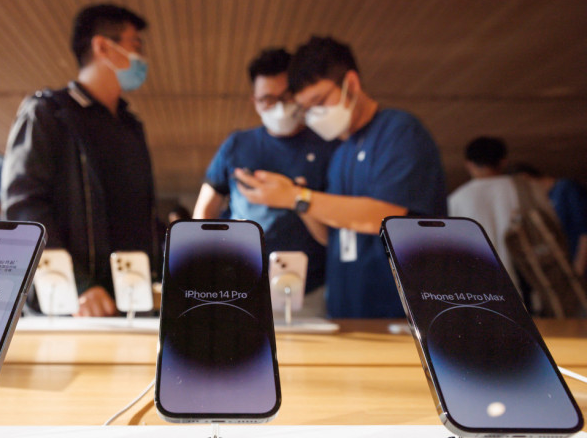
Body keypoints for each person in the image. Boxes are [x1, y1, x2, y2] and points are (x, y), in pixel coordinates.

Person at [235, 37, 447, 318]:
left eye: (319, 101)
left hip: (401, 313)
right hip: (346, 309)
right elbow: (329, 236)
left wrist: (299, 197)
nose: (313, 115)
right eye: (306, 109)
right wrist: (293, 201)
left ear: (352, 84)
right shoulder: (340, 154)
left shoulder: (399, 132)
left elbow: (384, 217)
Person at [2, 3, 156, 317]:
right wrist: (78, 284)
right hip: (70, 303)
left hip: (130, 299)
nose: (142, 58)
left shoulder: (130, 125)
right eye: (135, 46)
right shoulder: (49, 113)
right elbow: (24, 208)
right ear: (103, 46)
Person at [193, 48, 339, 308]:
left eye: (285, 97)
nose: (279, 108)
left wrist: (295, 197)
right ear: (254, 101)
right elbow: (204, 211)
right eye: (268, 100)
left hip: (310, 290)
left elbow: (332, 234)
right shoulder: (237, 144)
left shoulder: (327, 147)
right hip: (240, 285)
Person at [448, 137, 521, 283]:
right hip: (528, 278)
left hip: (482, 282)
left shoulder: (456, 199)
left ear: (469, 165)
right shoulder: (522, 190)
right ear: (503, 161)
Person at [508, 163, 587, 278]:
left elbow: (584, 230)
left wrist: (579, 267)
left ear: (525, 178)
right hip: (568, 265)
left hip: (580, 263)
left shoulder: (566, 188)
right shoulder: (546, 197)